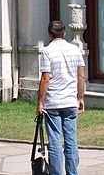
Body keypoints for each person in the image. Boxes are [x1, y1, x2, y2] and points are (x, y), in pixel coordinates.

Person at [37, 20, 86, 175]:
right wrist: (80, 97)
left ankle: (57, 172)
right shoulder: (75, 50)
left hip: (53, 102)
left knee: (55, 141)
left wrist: (40, 102)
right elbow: (81, 77)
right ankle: (72, 172)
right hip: (70, 100)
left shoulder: (47, 51)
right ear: (64, 34)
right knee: (71, 140)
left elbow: (45, 79)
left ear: (49, 34)